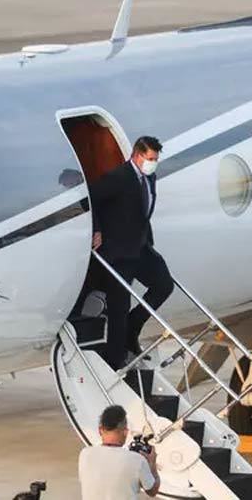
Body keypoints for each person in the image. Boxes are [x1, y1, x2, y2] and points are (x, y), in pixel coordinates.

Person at [89, 136, 174, 369]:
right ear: (137, 156)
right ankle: (115, 358)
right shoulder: (119, 177)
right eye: (150, 159)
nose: (153, 163)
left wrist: (147, 240)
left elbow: (143, 211)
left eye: (156, 159)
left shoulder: (150, 177)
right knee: (119, 305)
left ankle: (132, 328)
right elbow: (91, 198)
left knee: (164, 285)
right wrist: (97, 229)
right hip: (117, 252)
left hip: (141, 248)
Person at [78, 405, 160, 499]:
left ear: (100, 430)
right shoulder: (137, 460)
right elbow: (152, 491)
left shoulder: (84, 454)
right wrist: (152, 465)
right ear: (125, 432)